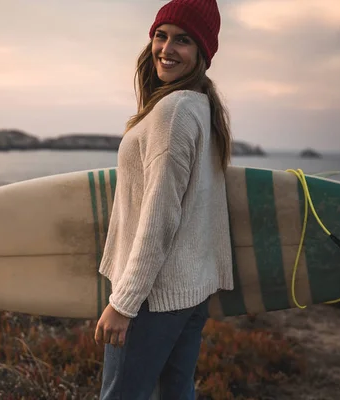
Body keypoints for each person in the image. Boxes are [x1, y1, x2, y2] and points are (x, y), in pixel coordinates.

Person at [94, 0, 235, 398]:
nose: (166, 48)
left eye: (183, 40)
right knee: (175, 393)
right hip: (188, 293)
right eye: (161, 35)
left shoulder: (173, 113)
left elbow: (160, 217)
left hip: (154, 297)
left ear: (202, 53)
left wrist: (124, 303)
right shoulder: (198, 107)